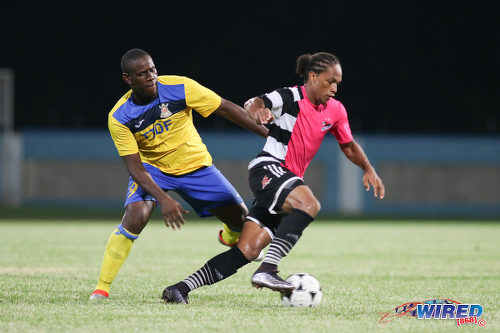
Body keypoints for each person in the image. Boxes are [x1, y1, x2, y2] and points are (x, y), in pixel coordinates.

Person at [162, 52, 385, 304]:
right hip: (268, 168)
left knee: (247, 250)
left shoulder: (336, 111)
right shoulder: (290, 96)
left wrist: (368, 168)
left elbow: (348, 145)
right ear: (312, 77)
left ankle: (179, 288)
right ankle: (268, 269)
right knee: (309, 204)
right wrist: (259, 112)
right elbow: (252, 103)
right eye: (329, 81)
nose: (334, 88)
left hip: (284, 182)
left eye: (338, 83)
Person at [89, 48, 268, 300]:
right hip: (153, 170)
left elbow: (225, 108)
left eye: (152, 69)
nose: (151, 76)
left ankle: (228, 234)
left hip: (195, 165)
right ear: (128, 79)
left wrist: (270, 137)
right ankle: (102, 288)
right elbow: (135, 169)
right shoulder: (119, 117)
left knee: (243, 223)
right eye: (142, 73)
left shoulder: (179, 87)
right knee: (135, 217)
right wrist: (164, 199)